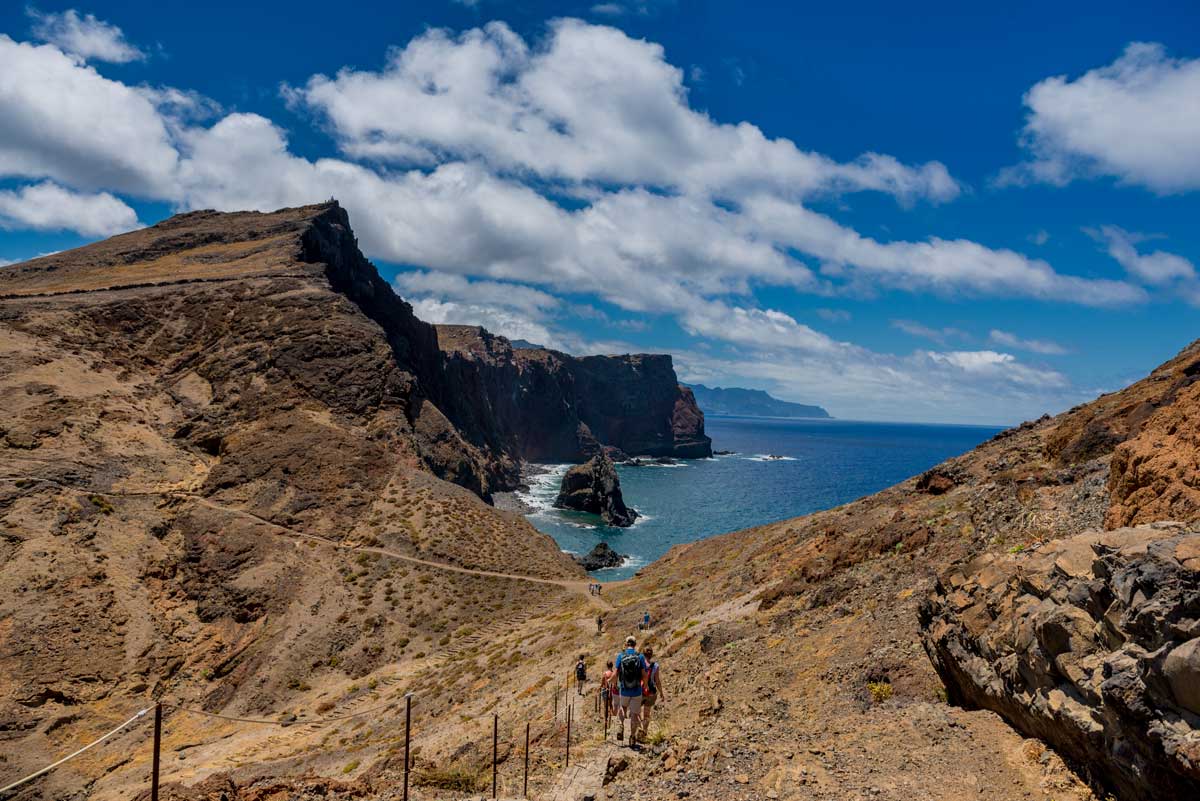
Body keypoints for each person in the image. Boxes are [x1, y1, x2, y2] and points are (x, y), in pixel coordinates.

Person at [614, 635, 648, 746]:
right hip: (637, 690)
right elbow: (644, 675)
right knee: (634, 714)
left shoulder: (621, 656)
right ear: (635, 644)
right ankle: (632, 737)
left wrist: (611, 682)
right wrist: (645, 686)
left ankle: (620, 724)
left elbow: (616, 674)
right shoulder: (640, 657)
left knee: (622, 707)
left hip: (624, 689)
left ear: (626, 644)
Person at [638, 645, 665, 739]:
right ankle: (644, 731)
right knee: (647, 713)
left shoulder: (639, 663)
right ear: (651, 654)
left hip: (640, 691)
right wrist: (661, 692)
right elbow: (657, 681)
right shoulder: (655, 666)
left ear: (643, 653)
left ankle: (639, 728)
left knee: (636, 712)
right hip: (651, 692)